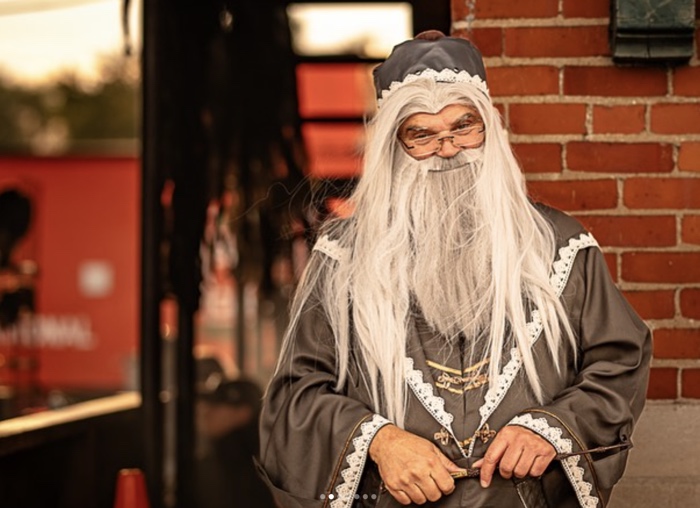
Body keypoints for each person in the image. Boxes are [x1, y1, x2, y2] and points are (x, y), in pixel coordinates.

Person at [257, 31, 652, 508]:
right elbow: (295, 398)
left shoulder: (561, 248)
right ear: (395, 148)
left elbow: (618, 363)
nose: (448, 149)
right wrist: (381, 442)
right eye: (421, 134)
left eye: (464, 126)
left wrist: (550, 429)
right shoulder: (342, 260)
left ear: (490, 132)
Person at [195, 378, 275, 508]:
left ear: (243, 413)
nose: (204, 410)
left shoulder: (238, 471)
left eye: (215, 405)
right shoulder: (256, 464)